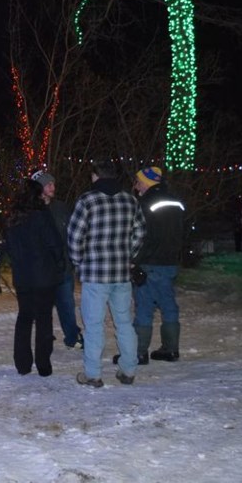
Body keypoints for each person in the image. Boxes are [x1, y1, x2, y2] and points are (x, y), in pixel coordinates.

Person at [67, 160, 146, 387]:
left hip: (95, 275)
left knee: (94, 325)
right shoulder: (130, 200)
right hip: (121, 274)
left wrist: (79, 261)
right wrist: (127, 254)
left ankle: (93, 374)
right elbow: (140, 232)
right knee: (124, 322)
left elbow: (74, 236)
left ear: (95, 176)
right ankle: (128, 370)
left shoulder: (87, 201)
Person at [119, 166, 185, 365]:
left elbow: (144, 237)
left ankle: (139, 352)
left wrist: (135, 261)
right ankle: (171, 349)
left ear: (147, 182)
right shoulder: (176, 202)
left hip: (149, 263)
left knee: (144, 308)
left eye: (138, 181)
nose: (136, 186)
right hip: (170, 261)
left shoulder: (144, 203)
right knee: (168, 305)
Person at [4, 179, 66, 376]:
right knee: (43, 318)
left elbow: (10, 247)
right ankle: (43, 363)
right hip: (44, 274)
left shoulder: (13, 217)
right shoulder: (41, 215)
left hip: (23, 275)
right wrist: (59, 264)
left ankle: (22, 363)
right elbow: (54, 242)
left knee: (24, 317)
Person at [31, 169, 84, 350]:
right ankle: (44, 335)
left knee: (66, 304)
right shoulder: (31, 210)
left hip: (63, 267)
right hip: (41, 269)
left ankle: (72, 336)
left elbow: (73, 233)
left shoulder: (61, 208)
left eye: (53, 183)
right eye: (48, 184)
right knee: (42, 306)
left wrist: (73, 257)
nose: (53, 187)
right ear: (39, 188)